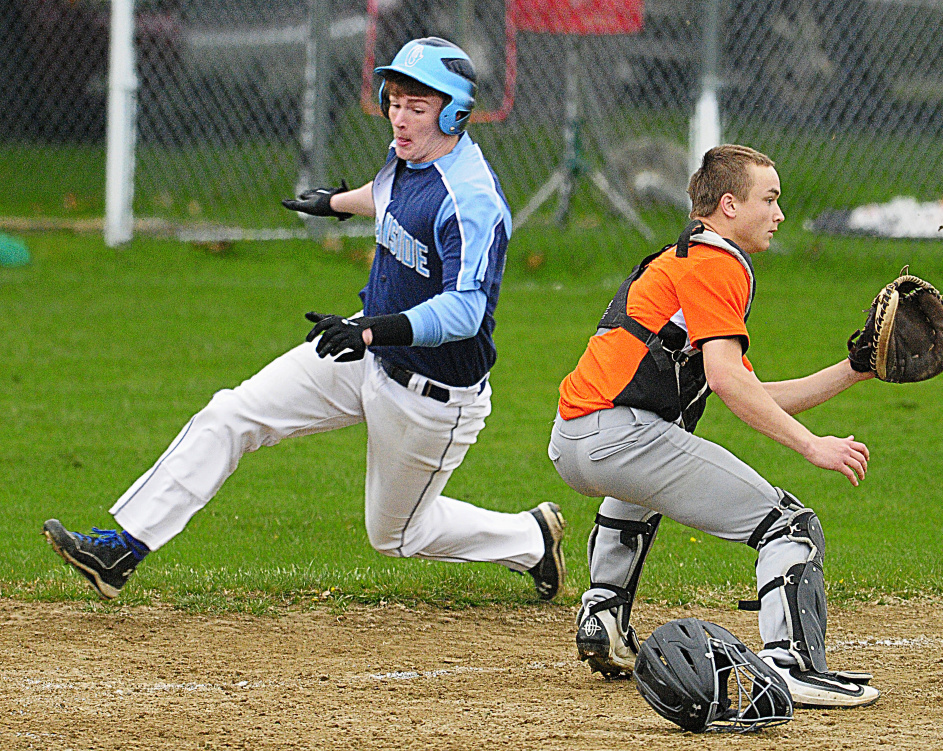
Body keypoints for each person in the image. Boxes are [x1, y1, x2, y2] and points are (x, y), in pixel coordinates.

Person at [43, 37, 565, 604]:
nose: (400, 117)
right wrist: (337, 203)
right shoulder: (410, 153)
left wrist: (367, 331)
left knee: (395, 535)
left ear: (455, 114)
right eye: (394, 101)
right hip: (368, 348)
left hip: (431, 396)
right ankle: (124, 547)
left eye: (418, 107)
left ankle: (530, 539)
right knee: (233, 413)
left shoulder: (472, 201)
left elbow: (464, 311)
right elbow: (390, 195)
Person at [547, 144, 879, 708]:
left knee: (645, 483)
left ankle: (602, 617)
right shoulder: (718, 263)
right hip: (621, 434)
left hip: (576, 438)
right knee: (789, 526)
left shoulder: (685, 258)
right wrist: (811, 447)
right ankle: (791, 664)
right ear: (728, 205)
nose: (778, 213)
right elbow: (728, 381)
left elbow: (750, 391)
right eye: (768, 199)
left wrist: (855, 369)